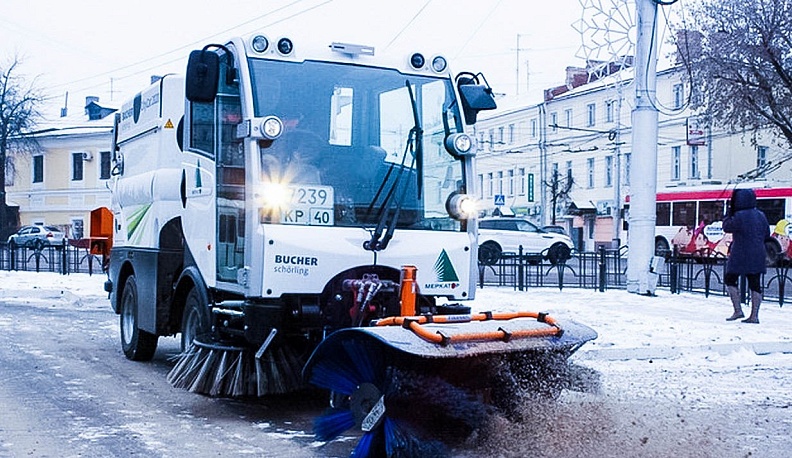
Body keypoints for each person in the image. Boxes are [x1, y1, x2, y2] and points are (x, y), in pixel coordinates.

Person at [722, 188, 769, 323]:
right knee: (755, 283)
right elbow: (766, 234)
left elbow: (727, 227)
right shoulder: (761, 215)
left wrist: (728, 213)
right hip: (758, 253)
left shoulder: (739, 215)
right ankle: (754, 315)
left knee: (730, 279)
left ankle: (738, 310)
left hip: (740, 252)